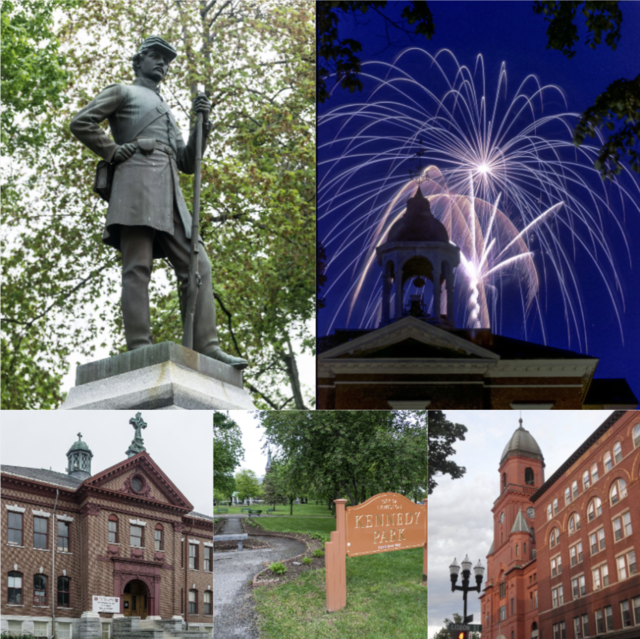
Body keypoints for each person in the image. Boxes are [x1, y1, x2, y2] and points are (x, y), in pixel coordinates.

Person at [70, 36, 247, 369]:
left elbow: (186, 162)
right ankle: (139, 347)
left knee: (198, 266)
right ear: (139, 60)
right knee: (137, 267)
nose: (162, 64)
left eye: (166, 61)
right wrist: (111, 150)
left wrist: (201, 126)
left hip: (170, 194)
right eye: (156, 57)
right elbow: (81, 122)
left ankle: (207, 346)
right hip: (135, 184)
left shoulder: (166, 109)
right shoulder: (122, 91)